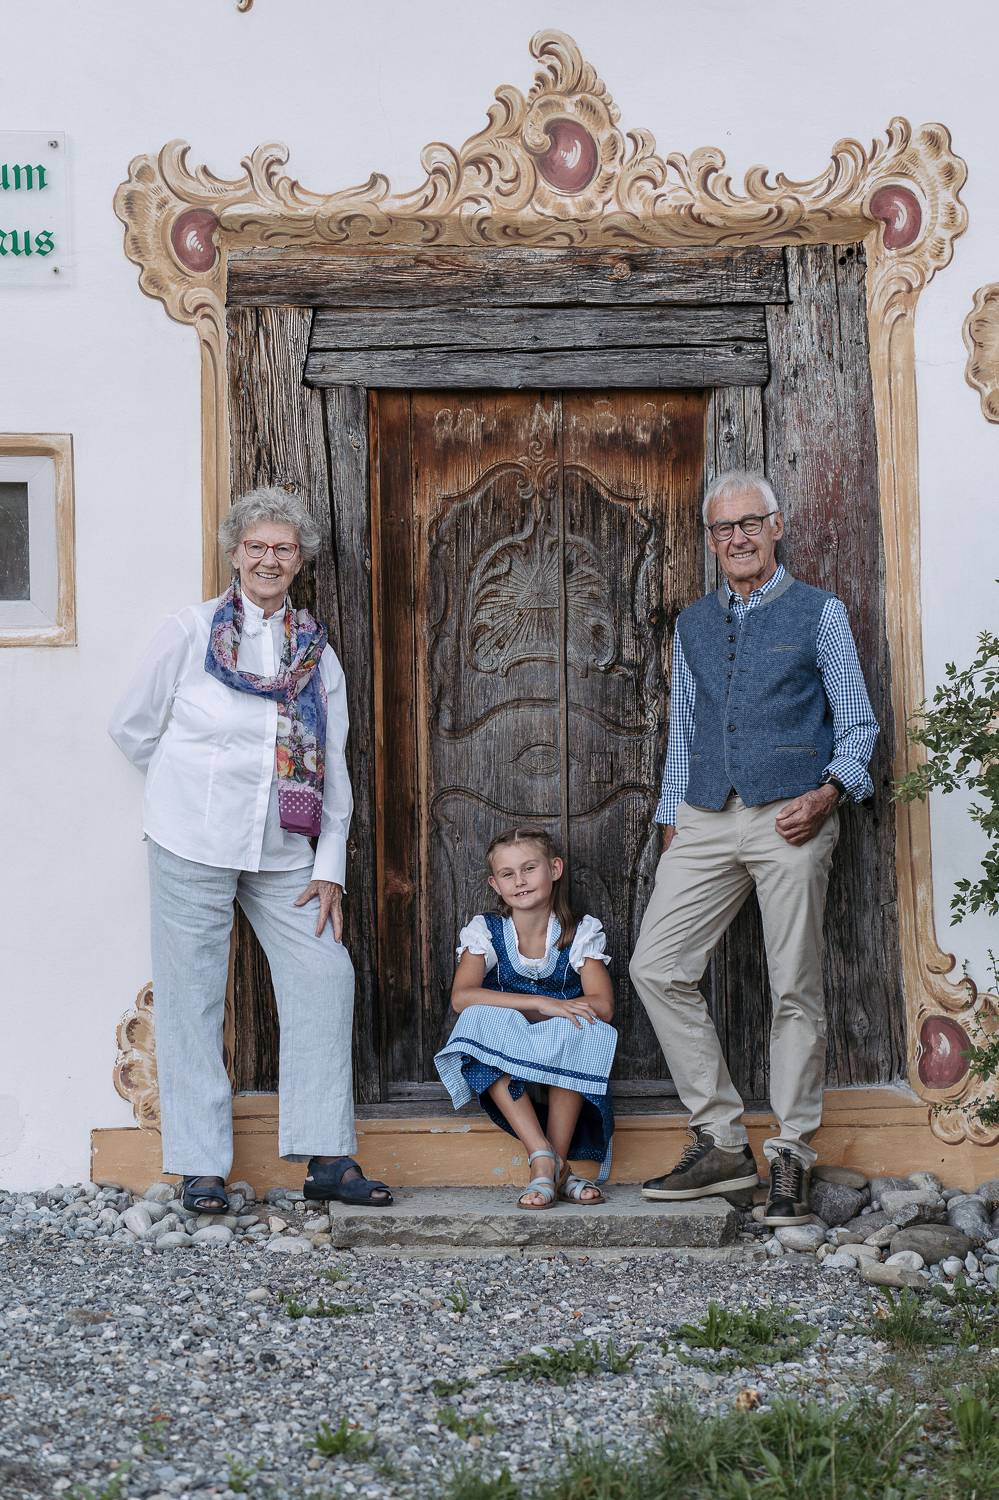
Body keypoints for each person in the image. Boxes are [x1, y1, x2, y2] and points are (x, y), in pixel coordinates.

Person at [108, 486, 392, 1214]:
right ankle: (200, 1166)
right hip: (190, 840)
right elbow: (133, 727)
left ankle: (326, 1157)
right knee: (191, 997)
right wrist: (189, 789)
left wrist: (329, 866)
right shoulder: (188, 632)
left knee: (324, 978)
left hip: (284, 848)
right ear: (235, 553)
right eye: (257, 546)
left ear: (300, 561)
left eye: (284, 549)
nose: (270, 559)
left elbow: (334, 764)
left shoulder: (316, 655)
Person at [629, 469, 878, 1226]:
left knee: (793, 986)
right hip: (707, 816)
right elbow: (685, 728)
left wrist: (829, 793)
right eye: (722, 528)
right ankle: (721, 1139)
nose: (736, 538)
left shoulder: (819, 612)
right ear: (711, 541)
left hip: (791, 815)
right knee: (656, 966)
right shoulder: (692, 624)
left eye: (749, 523)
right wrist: (673, 819)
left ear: (775, 527)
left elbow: (858, 724)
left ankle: (792, 1152)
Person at [434, 828, 616, 1209]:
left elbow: (603, 1004)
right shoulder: (486, 931)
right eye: (507, 874)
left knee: (584, 1025)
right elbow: (462, 997)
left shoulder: (579, 932)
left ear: (555, 869)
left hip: (558, 1043)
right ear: (495, 884)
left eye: (529, 868)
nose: (519, 881)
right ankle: (542, 1156)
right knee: (478, 1020)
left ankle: (555, 1161)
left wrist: (558, 1014)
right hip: (509, 1043)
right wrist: (542, 1003)